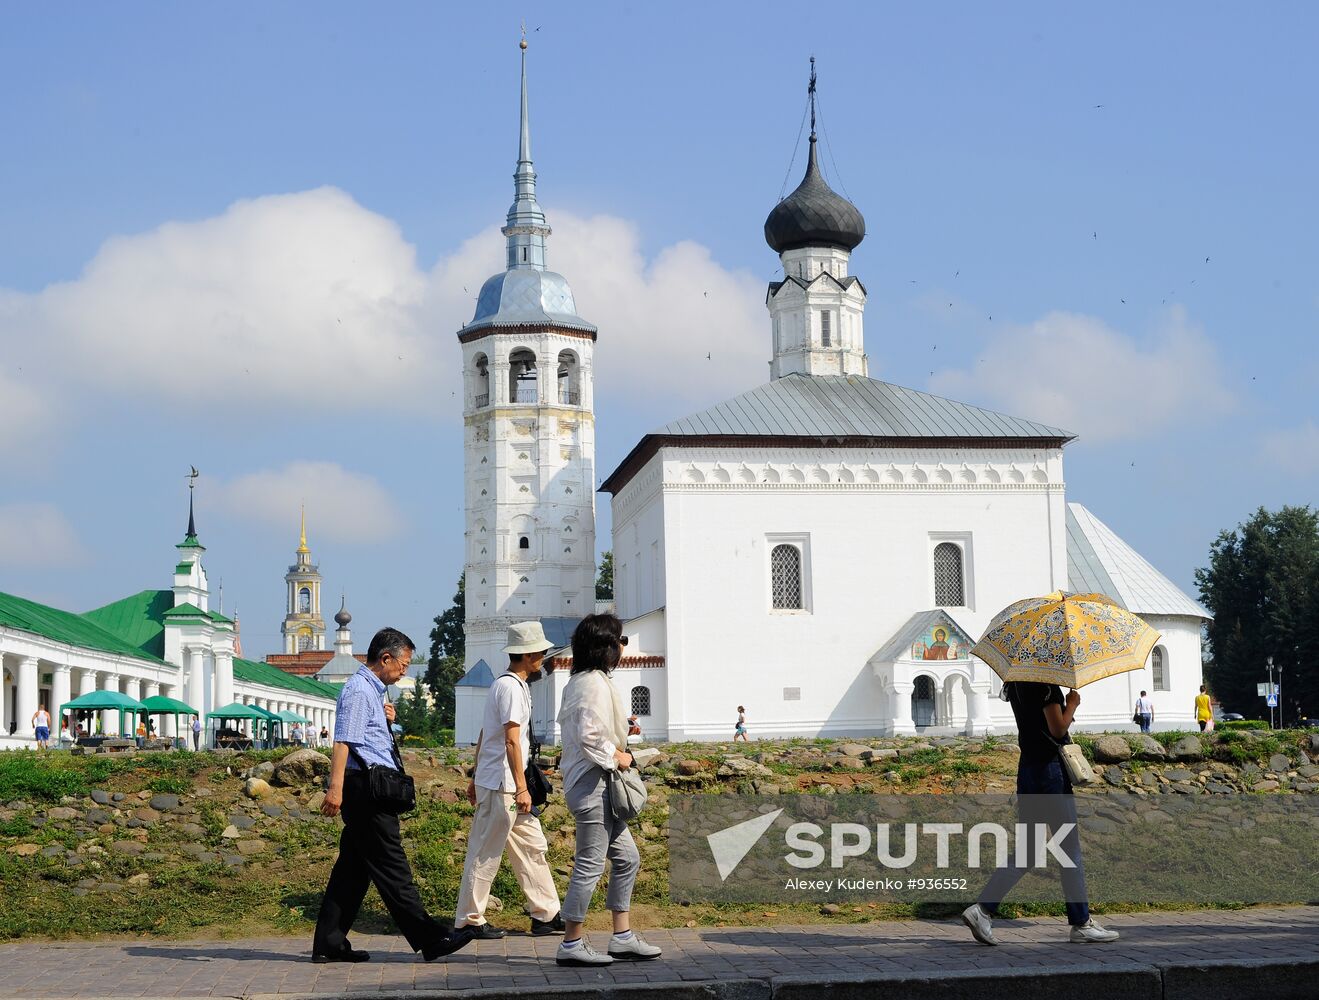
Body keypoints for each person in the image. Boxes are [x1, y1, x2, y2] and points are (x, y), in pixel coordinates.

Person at [312, 627, 473, 965]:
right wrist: (336, 787)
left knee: (352, 872)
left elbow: (369, 738)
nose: (404, 670)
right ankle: (431, 938)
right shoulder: (358, 690)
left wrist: (387, 721)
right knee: (392, 867)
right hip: (365, 789)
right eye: (403, 664)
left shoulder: (374, 692)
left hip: (368, 786)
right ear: (385, 659)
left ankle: (329, 942)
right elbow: (343, 741)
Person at [963, 682, 1118, 945]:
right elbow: (1057, 729)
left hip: (1028, 770)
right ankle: (1081, 923)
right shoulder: (1046, 687)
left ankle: (983, 909)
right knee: (1069, 848)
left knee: (1029, 848)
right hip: (1049, 772)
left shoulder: (1016, 685)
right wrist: (1072, 705)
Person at [555, 614, 661, 967]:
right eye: (619, 642)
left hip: (595, 782)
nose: (622, 648)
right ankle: (570, 943)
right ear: (605, 648)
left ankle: (622, 937)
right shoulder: (592, 684)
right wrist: (621, 758)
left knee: (628, 858)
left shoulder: (585, 680)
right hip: (593, 783)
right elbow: (590, 737)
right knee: (589, 864)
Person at [454, 621, 564, 939]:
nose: (543, 657)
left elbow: (486, 733)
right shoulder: (512, 688)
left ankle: (545, 913)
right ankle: (469, 919)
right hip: (505, 784)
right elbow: (511, 741)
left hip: (499, 781)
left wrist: (475, 776)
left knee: (531, 847)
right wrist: (521, 787)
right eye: (541, 652)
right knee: (486, 850)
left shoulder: (507, 686)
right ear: (528, 654)